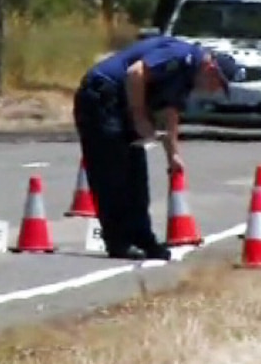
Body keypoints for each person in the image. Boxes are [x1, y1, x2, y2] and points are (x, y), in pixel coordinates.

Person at [73, 35, 241, 261]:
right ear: (210, 68)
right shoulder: (180, 56)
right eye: (216, 84)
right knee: (111, 172)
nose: (213, 91)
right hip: (102, 95)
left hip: (120, 101)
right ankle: (118, 241)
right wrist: (140, 118)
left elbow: (169, 111)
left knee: (135, 174)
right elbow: (136, 73)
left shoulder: (188, 76)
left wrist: (173, 155)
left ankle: (142, 237)